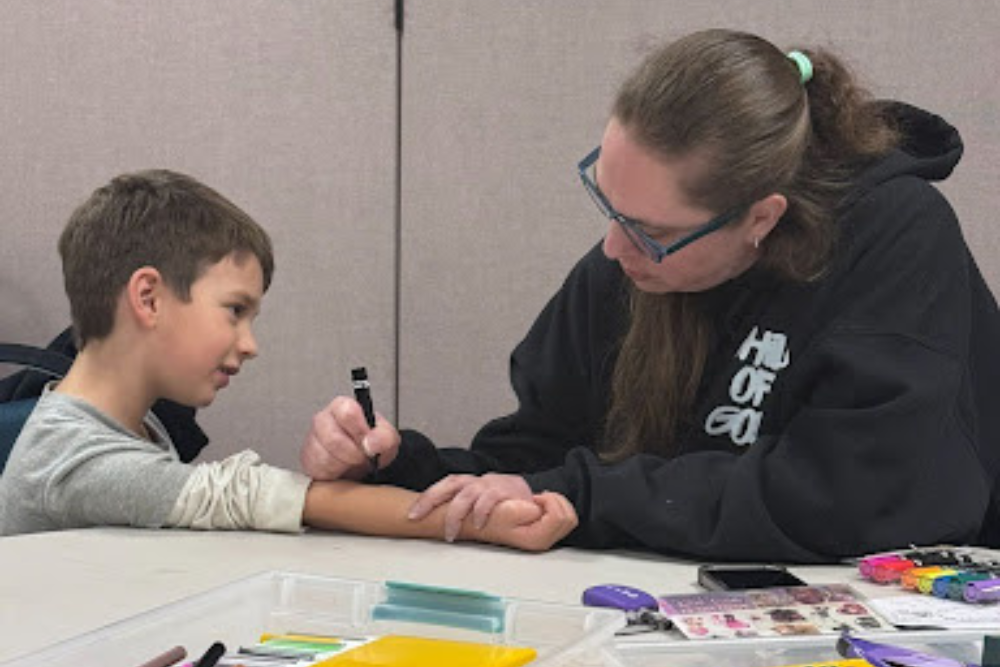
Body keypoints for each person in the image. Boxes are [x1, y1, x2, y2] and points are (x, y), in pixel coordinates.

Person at [300, 28, 1000, 563]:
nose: (614, 248)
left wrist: (586, 495)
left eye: (652, 231)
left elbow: (847, 497)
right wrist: (399, 465)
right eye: (607, 203)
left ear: (762, 218)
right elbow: (543, 455)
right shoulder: (636, 261)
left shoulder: (895, 240)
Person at [0, 169, 577, 551]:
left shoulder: (136, 428)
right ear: (148, 298)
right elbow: (257, 497)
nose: (250, 343)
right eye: (234, 310)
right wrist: (485, 522)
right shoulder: (71, 457)